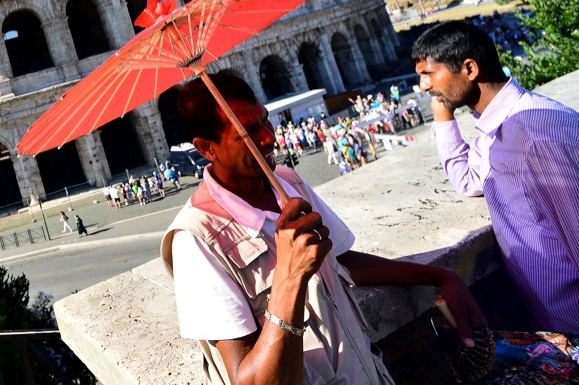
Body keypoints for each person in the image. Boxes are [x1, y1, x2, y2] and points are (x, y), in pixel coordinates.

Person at [162, 72, 485, 384]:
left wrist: (440, 276)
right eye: (247, 132)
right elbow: (250, 380)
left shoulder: (288, 183)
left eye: (264, 120)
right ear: (207, 148)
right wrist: (290, 277)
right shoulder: (196, 240)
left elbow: (341, 262)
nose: (268, 137)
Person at [412, 20, 579, 333]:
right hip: (553, 323)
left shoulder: (533, 133)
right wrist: (443, 114)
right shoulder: (494, 129)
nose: (423, 87)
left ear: (470, 69)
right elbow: (468, 180)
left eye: (429, 74)